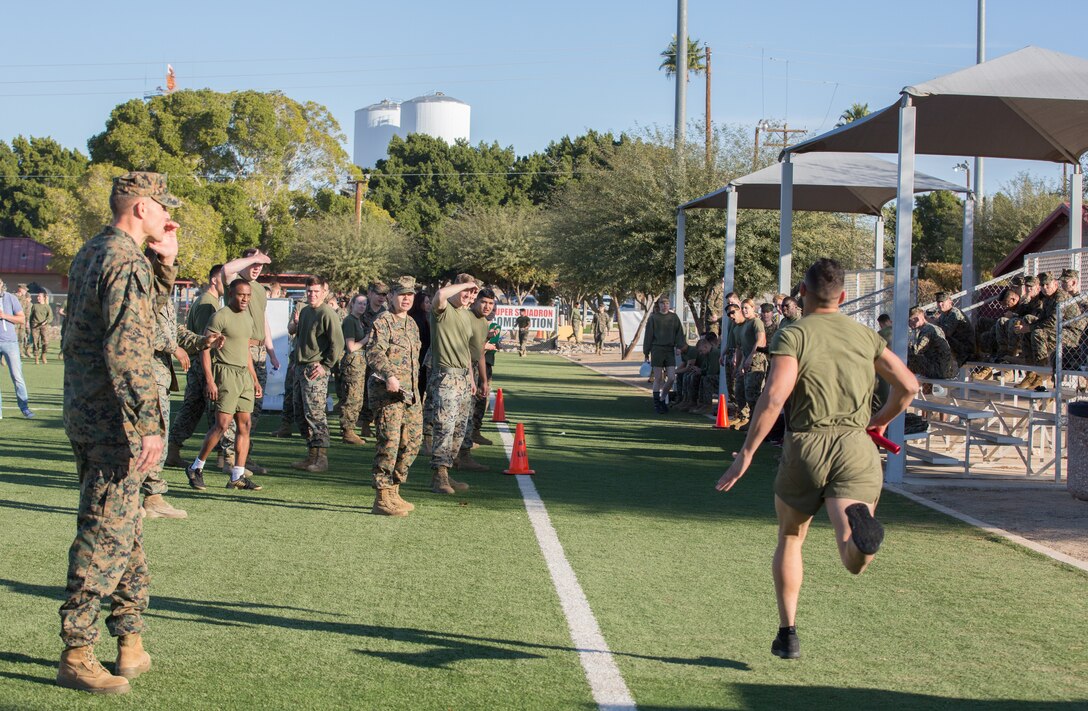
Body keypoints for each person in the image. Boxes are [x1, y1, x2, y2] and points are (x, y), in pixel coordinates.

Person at [716, 258, 917, 661]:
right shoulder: (865, 336)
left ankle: (788, 633)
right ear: (843, 297)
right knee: (852, 556)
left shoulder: (794, 335)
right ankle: (864, 538)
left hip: (807, 446)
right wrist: (879, 420)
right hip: (857, 449)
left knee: (791, 537)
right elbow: (909, 386)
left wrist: (746, 455)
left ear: (803, 294)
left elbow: (774, 397)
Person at [57, 171, 180, 694]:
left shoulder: (94, 251)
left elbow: (142, 315)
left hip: (88, 411)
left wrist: (167, 260)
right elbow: (129, 348)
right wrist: (148, 424)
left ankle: (129, 642)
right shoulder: (124, 259)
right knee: (105, 530)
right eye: (163, 209)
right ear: (141, 207)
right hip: (114, 421)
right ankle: (76, 651)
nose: (169, 218)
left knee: (125, 528)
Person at [145, 270, 220, 517]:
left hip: (160, 377)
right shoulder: (143, 290)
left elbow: (173, 330)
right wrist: (174, 348)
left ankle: (151, 498)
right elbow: (144, 329)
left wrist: (202, 342)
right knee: (148, 437)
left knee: (158, 436)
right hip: (144, 376)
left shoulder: (163, 296)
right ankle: (145, 497)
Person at [186, 279, 263, 491]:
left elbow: (245, 349)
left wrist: (254, 378)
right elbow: (205, 348)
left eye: (248, 295)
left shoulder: (247, 317)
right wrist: (210, 380)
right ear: (231, 294)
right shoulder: (220, 316)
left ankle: (237, 476)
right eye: (241, 295)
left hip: (243, 376)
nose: (245, 299)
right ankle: (196, 467)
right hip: (225, 373)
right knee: (222, 425)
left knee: (245, 426)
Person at [218, 248, 280, 476]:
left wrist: (271, 351)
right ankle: (228, 457)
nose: (256, 268)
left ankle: (244, 457)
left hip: (259, 352)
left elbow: (263, 320)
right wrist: (255, 257)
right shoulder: (235, 285)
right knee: (231, 405)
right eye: (253, 264)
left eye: (260, 265)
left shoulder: (260, 291)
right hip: (240, 350)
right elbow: (226, 269)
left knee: (252, 409)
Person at [367, 276, 423, 516]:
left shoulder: (412, 324)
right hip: (388, 394)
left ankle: (395, 490)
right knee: (389, 443)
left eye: (410, 294)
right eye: (402, 294)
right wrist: (389, 375)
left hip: (410, 395)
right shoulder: (384, 321)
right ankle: (381, 497)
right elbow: (375, 352)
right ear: (391, 296)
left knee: (412, 442)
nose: (407, 298)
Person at [165, 265, 224, 467]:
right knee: (213, 409)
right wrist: (209, 377)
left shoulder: (207, 300)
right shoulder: (208, 304)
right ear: (215, 280)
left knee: (192, 409)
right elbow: (202, 340)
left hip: (198, 364)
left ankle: (173, 450)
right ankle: (222, 456)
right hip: (202, 364)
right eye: (225, 279)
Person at [428, 274, 479, 494]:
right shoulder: (443, 310)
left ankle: (448, 472)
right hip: (446, 377)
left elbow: (465, 348)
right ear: (456, 289)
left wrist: (470, 377)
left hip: (462, 378)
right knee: (444, 428)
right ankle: (439, 476)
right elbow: (440, 294)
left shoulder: (466, 315)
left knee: (459, 430)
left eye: (472, 292)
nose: (468, 296)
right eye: (465, 291)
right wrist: (466, 284)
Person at [290, 276, 344, 473]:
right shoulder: (305, 311)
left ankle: (321, 457)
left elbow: (338, 344)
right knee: (300, 413)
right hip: (300, 367)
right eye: (309, 291)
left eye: (316, 291)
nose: (312, 294)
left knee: (315, 414)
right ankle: (311, 454)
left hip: (315, 370)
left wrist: (325, 365)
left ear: (324, 292)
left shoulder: (327, 313)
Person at [643, 296, 686, 414]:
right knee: (658, 378)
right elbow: (648, 336)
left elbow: (679, 333)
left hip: (669, 350)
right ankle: (657, 403)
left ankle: (662, 398)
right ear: (659, 305)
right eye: (662, 303)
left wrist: (679, 346)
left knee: (672, 377)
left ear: (669, 304)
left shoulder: (673, 317)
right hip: (657, 349)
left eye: (667, 303)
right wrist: (646, 352)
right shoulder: (653, 318)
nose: (665, 305)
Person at [470, 290, 501, 446]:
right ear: (475, 301)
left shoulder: (483, 322)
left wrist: (483, 380)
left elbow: (480, 353)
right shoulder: (467, 318)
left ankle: (471, 438)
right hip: (460, 371)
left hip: (477, 368)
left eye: (491, 304)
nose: (488, 307)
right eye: (484, 302)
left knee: (477, 404)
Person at [0, 278, 34, 418]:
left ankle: (24, 407)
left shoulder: (10, 298)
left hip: (10, 343)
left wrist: (4, 316)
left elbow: (21, 319)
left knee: (17, 376)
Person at [339, 293, 370, 445]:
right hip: (353, 363)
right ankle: (347, 430)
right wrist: (366, 339)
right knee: (351, 397)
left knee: (357, 398)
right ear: (352, 304)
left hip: (359, 363)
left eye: (365, 304)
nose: (362, 306)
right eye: (360, 303)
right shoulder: (350, 321)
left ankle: (350, 429)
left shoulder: (359, 321)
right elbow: (351, 347)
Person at [735, 299, 768, 431]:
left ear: (753, 308)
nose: (744, 310)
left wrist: (751, 357)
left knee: (753, 393)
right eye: (742, 308)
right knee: (743, 391)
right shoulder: (746, 324)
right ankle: (749, 419)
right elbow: (743, 347)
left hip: (756, 360)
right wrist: (741, 363)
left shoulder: (756, 322)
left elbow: (760, 339)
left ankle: (757, 423)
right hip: (747, 359)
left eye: (747, 307)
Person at [907, 307, 956, 380]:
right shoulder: (933, 327)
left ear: (916, 319)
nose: (908, 324)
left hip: (939, 370)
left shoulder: (927, 330)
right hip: (945, 369)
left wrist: (904, 346)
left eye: (909, 321)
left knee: (905, 359)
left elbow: (916, 351)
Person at [934, 292, 975, 367]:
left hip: (966, 349)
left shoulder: (954, 313)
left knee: (942, 337)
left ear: (950, 302)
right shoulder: (943, 315)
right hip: (957, 346)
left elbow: (946, 332)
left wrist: (933, 322)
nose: (940, 304)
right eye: (938, 302)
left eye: (942, 302)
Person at [408, 291, 432, 397]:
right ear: (419, 303)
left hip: (424, 358)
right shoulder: (415, 319)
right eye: (426, 302)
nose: (429, 305)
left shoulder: (426, 317)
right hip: (419, 357)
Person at [29, 291, 54, 364]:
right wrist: (30, 324)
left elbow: (50, 316)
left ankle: (43, 355)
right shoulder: (35, 306)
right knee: (35, 342)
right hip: (35, 326)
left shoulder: (47, 306)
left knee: (45, 342)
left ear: (43, 297)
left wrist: (46, 322)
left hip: (44, 326)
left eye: (39, 296)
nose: (38, 298)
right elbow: (31, 316)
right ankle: (36, 358)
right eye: (37, 296)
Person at [16, 283, 31, 358]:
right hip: (14, 320)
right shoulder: (13, 297)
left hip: (22, 321)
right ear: (20, 289)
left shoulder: (25, 299)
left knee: (21, 337)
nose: (26, 292)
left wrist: (27, 321)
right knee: (14, 337)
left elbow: (27, 311)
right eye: (24, 290)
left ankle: (21, 352)